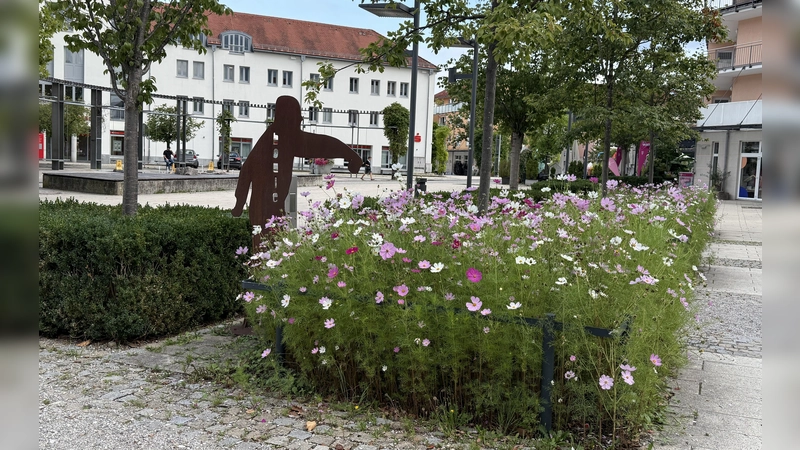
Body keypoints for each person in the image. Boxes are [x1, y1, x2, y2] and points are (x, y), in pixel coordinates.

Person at [232, 96, 363, 248]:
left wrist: (239, 204)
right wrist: (239, 204)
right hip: (265, 208)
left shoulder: (276, 137)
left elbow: (320, 143)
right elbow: (320, 144)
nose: (301, 118)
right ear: (289, 116)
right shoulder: (284, 137)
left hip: (271, 206)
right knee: (267, 245)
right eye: (297, 114)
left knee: (270, 244)